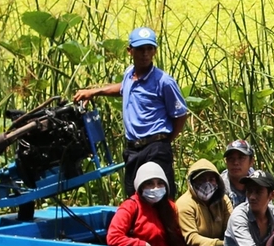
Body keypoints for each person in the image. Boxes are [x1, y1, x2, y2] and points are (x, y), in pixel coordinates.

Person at [74, 26, 188, 199]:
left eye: (149, 49)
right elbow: (123, 88)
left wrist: (166, 141)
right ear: (130, 51)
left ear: (155, 51)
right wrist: (94, 92)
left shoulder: (164, 81)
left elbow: (180, 114)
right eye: (140, 49)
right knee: (134, 199)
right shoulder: (129, 74)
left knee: (160, 197)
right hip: (133, 149)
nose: (145, 54)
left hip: (155, 147)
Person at [107, 162, 185, 246]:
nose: (156, 188)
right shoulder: (131, 206)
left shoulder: (169, 206)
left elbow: (178, 239)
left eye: (160, 183)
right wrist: (142, 245)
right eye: (150, 184)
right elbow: (114, 237)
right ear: (141, 186)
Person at [175, 159, 232, 246]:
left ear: (217, 182)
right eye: (201, 180)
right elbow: (192, 238)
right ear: (192, 182)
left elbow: (230, 227)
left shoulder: (223, 201)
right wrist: (218, 243)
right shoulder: (185, 204)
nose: (207, 184)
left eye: (211, 180)